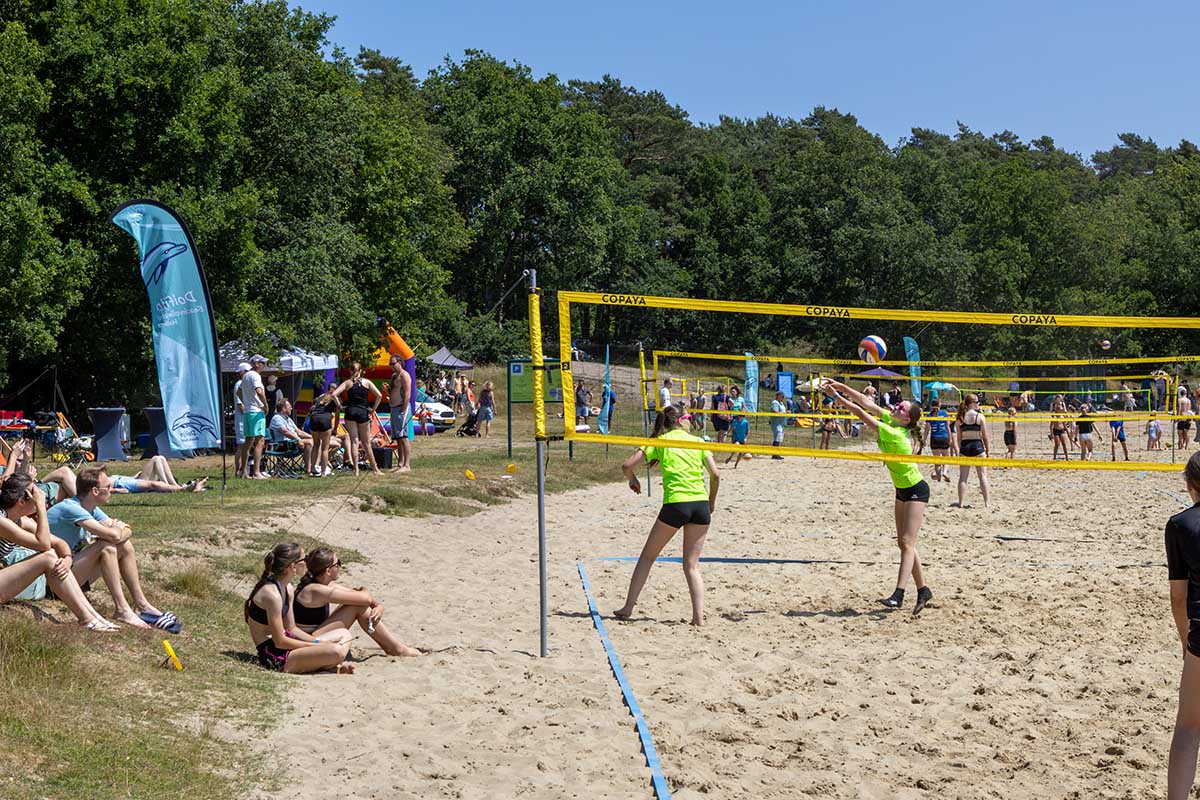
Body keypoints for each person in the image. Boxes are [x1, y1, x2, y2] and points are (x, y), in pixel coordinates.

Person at [823, 380, 932, 614]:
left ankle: (899, 594)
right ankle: (923, 589)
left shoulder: (894, 432)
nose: (895, 407)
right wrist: (840, 386)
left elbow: (861, 413)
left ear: (906, 419)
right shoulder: (893, 421)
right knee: (904, 543)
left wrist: (836, 397)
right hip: (901, 489)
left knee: (906, 543)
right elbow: (864, 401)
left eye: (900, 408)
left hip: (916, 489)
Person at [613, 406, 720, 626]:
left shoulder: (659, 441)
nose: (692, 420)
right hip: (699, 505)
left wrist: (632, 478)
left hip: (676, 504)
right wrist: (710, 503)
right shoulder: (699, 442)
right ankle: (698, 618)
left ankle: (628, 607)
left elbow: (626, 465)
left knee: (647, 557)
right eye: (689, 417)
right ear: (681, 420)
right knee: (692, 565)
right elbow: (716, 475)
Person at [47, 465, 176, 631]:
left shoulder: (89, 507)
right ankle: (122, 609)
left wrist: (116, 531)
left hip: (73, 571)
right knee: (106, 546)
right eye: (107, 487)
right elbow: (115, 533)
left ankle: (141, 604)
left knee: (124, 546)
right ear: (95, 491)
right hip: (55, 580)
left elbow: (126, 530)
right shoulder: (72, 508)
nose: (112, 489)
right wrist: (116, 531)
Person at [0, 474, 117, 631]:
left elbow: (59, 542)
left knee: (52, 557)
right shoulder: (2, 522)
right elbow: (44, 544)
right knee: (48, 557)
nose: (40, 495)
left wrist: (68, 558)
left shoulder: (19, 520)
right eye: (35, 494)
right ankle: (87, 619)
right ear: (21, 501)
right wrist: (41, 507)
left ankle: (93, 616)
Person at [244, 543, 354, 674]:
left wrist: (317, 641)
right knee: (335, 651)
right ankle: (328, 665)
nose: (307, 563)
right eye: (304, 559)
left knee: (344, 634)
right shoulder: (271, 595)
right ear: (293, 567)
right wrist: (316, 646)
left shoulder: (288, 588)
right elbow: (279, 642)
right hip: (274, 654)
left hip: (288, 643)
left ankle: (325, 664)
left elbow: (292, 628)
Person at [293, 548, 422, 657]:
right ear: (327, 571)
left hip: (313, 634)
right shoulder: (315, 590)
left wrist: (377, 605)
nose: (339, 567)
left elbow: (359, 594)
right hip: (307, 640)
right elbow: (364, 598)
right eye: (338, 563)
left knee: (356, 604)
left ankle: (394, 648)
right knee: (357, 606)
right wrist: (370, 600)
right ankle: (397, 649)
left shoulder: (324, 584)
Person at [1165, 452, 1200, 797]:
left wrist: (1185, 640)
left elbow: (1178, 597)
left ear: (1190, 485)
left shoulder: (1180, 525)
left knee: (1189, 728)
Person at [332, 362, 383, 476]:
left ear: (350, 371)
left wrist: (340, 407)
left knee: (354, 441)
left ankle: (356, 470)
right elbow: (379, 396)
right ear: (361, 371)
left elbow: (334, 394)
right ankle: (375, 469)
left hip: (350, 412)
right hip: (362, 412)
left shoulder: (347, 383)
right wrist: (373, 409)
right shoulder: (367, 382)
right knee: (366, 442)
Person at [955, 393, 990, 508]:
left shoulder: (960, 418)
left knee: (963, 477)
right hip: (977, 446)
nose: (979, 404)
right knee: (983, 476)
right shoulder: (979, 417)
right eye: (977, 402)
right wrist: (987, 450)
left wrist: (960, 451)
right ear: (972, 403)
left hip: (965, 447)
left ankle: (960, 503)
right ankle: (987, 503)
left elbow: (959, 438)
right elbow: (985, 436)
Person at [240, 355, 270, 478]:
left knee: (248, 442)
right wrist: (265, 405)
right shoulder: (255, 375)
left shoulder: (246, 376)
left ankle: (243, 472)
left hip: (248, 411)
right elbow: (259, 391)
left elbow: (239, 392)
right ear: (256, 364)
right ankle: (256, 472)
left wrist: (246, 403)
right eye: (263, 363)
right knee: (260, 440)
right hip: (257, 411)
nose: (264, 365)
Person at [110, 455, 208, 493]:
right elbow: (108, 490)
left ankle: (174, 485)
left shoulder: (109, 477)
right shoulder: (104, 483)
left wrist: (135, 475)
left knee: (161, 458)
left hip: (134, 480)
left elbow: (126, 478)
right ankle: (171, 486)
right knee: (155, 459)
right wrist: (117, 490)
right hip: (135, 483)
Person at [270, 399, 316, 474]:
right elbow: (285, 432)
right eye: (289, 407)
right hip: (283, 445)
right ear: (283, 408)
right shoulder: (277, 418)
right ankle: (309, 469)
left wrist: (312, 437)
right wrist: (298, 439)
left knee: (313, 441)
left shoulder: (288, 419)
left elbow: (299, 432)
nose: (291, 408)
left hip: (292, 443)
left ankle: (313, 466)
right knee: (309, 443)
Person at [307, 384, 341, 476]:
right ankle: (323, 472)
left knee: (316, 445)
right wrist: (335, 429)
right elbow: (337, 417)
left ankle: (312, 469)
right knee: (325, 449)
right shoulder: (336, 398)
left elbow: (312, 408)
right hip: (325, 419)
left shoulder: (320, 396)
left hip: (314, 418)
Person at [387, 354, 413, 472]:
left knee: (403, 437)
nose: (391, 366)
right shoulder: (393, 376)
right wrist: (386, 390)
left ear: (400, 362)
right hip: (393, 408)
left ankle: (406, 465)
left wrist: (404, 407)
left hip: (401, 408)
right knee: (397, 437)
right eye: (390, 364)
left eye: (393, 363)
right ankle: (400, 463)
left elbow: (407, 393)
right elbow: (392, 392)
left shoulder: (404, 375)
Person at [922, 399, 952, 482]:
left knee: (936, 460)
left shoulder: (929, 415)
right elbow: (948, 427)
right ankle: (945, 472)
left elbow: (927, 429)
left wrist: (924, 440)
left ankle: (938, 478)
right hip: (943, 438)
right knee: (946, 458)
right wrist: (950, 438)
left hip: (934, 438)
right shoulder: (944, 414)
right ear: (939, 405)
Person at [233, 362, 249, 478]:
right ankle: (238, 471)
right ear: (242, 372)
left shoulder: (245, 384)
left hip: (246, 419)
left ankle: (244, 470)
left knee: (246, 445)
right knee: (241, 445)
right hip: (241, 420)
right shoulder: (239, 385)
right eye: (247, 372)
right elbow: (241, 405)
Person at [1050, 395, 1071, 461]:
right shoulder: (1054, 416)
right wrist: (1051, 434)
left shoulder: (1063, 416)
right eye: (1058, 409)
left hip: (1062, 430)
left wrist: (1068, 432)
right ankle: (1054, 457)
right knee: (1057, 444)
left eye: (1060, 409)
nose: (1060, 409)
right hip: (1055, 430)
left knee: (1064, 444)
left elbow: (1065, 424)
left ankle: (1067, 458)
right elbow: (1051, 426)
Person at [769, 391, 788, 459]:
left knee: (779, 438)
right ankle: (775, 454)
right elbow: (775, 411)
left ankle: (776, 453)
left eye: (783, 396)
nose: (783, 398)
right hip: (776, 423)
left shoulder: (781, 403)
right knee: (777, 438)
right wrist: (784, 414)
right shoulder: (775, 403)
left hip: (781, 423)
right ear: (778, 396)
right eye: (782, 396)